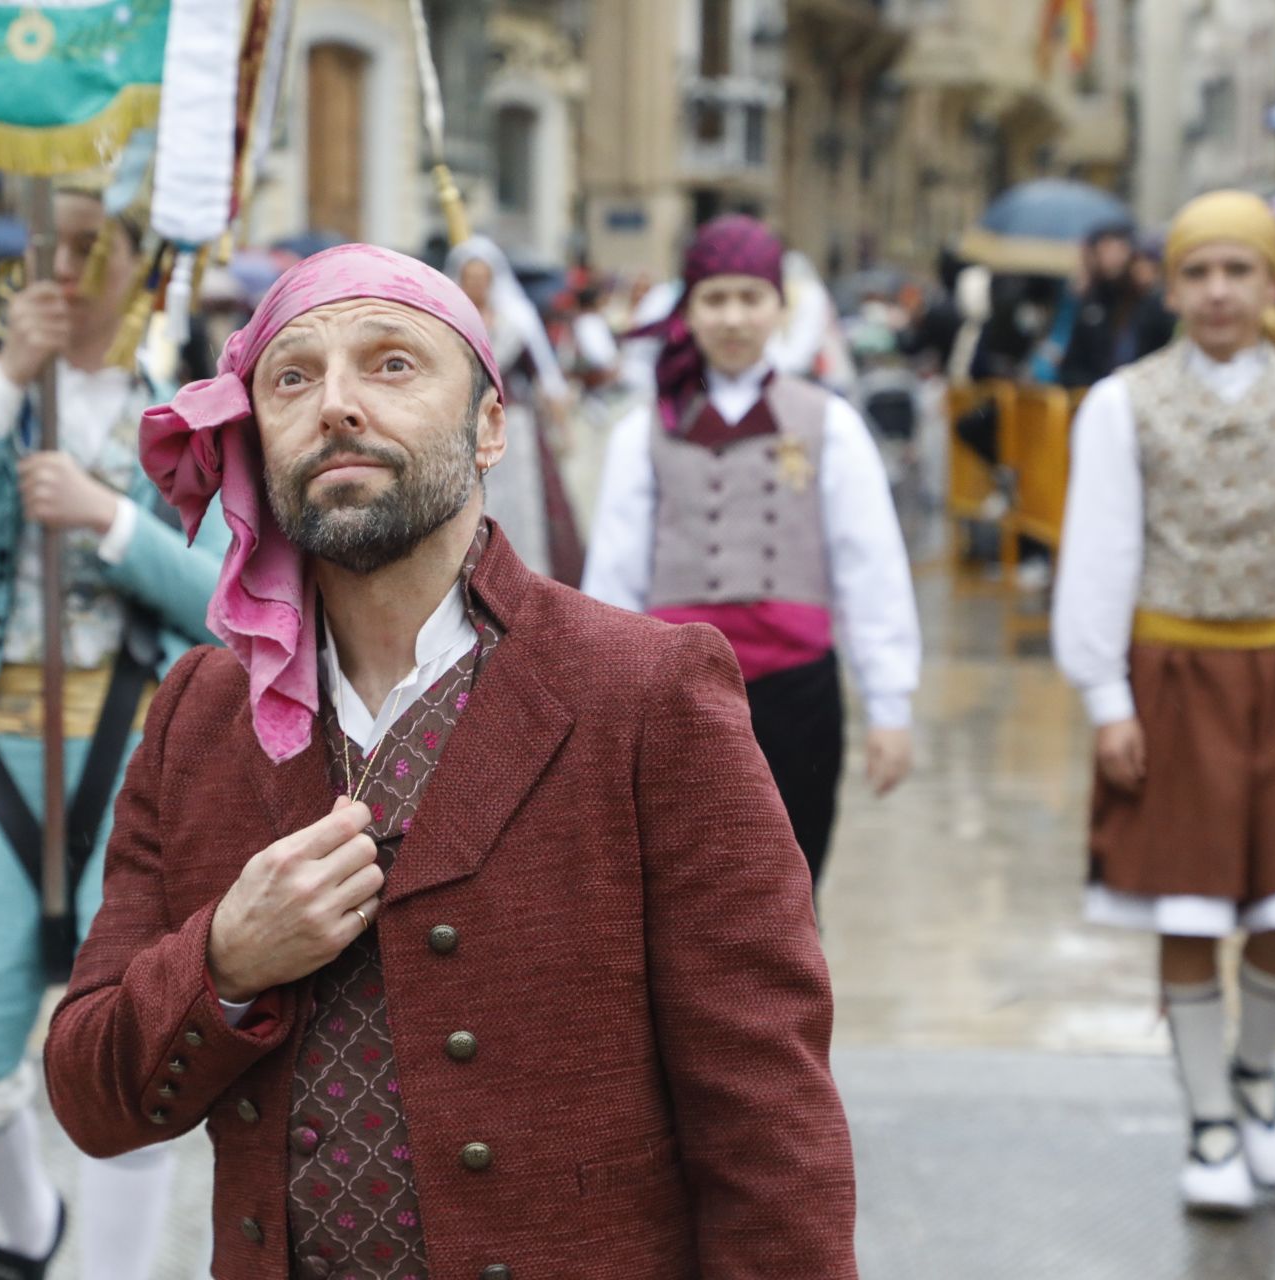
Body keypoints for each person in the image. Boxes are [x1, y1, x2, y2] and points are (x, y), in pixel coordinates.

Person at [44, 243, 857, 1278]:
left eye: (391, 364)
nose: (336, 404)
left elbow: (770, 1126)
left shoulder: (648, 691)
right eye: (292, 376)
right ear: (257, 434)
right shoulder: (201, 714)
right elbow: (89, 1095)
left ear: (489, 427)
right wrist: (224, 959)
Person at [0, 189, 229, 1280]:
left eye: (92, 248)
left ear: (143, 264)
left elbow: (227, 603)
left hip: (138, 759)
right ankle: (30, 1230)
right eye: (49, 250)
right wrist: (8, 377)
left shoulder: (198, 421)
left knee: (132, 1044)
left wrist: (107, 517)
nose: (66, 271)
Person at [1052, 191, 1275, 1215]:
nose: (1217, 291)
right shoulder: (1125, 401)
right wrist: (1107, 693)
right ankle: (1208, 1112)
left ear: (1271, 284)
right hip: (1174, 675)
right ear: (1173, 284)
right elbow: (1102, 550)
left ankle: (1255, 1066)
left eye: (1238, 271)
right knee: (1189, 900)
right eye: (1199, 271)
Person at [583, 215, 920, 890]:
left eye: (749, 298)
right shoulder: (645, 430)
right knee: (683, 884)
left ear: (779, 305)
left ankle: (786, 997)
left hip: (798, 692)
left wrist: (889, 707)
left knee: (792, 879)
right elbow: (614, 575)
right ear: (690, 311)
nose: (733, 318)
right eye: (715, 299)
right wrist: (602, 710)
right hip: (676, 697)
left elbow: (869, 566)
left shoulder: (829, 423)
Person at [446, 236, 585, 585]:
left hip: (513, 425)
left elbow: (541, 374)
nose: (476, 285)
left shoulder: (513, 322)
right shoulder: (449, 323)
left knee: (525, 506)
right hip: (460, 425)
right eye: (470, 277)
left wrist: (561, 427)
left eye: (482, 278)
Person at [1057, 221, 1146, 388]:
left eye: (1119, 248)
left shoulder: (1143, 301)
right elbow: (1072, 360)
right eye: (1105, 248)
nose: (1112, 256)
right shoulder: (1090, 300)